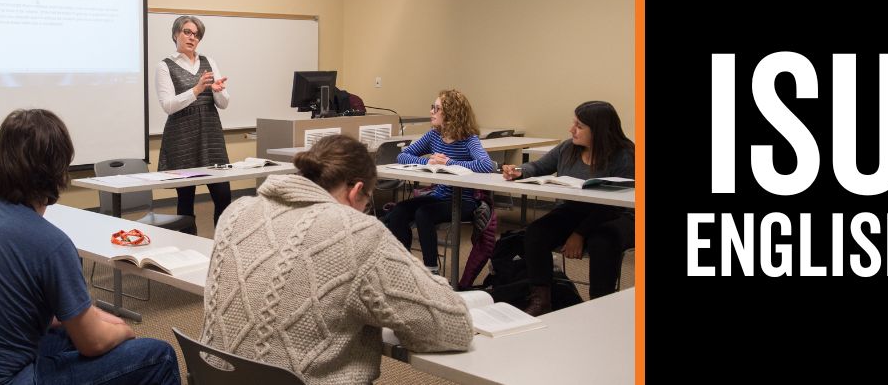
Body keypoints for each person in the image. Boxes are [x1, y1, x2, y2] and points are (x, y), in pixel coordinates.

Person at [0, 109, 179, 385]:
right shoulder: (51, 244)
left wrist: (94, 317)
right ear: (57, 170)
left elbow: (35, 309)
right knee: (159, 355)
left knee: (64, 334)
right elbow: (92, 343)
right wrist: (124, 332)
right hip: (7, 379)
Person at [202, 135, 474, 384]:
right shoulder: (356, 230)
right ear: (356, 191)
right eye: (367, 201)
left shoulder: (235, 212)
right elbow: (452, 327)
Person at [502, 100, 635, 315]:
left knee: (602, 241)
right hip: (575, 210)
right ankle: (541, 300)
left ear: (599, 130)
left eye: (580, 126)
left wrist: (579, 233)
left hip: (616, 214)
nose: (571, 129)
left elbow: (615, 205)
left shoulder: (625, 155)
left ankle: (600, 306)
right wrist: (519, 171)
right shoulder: (568, 148)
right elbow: (538, 166)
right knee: (536, 233)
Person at [384, 89, 496, 274]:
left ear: (451, 113)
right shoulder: (434, 135)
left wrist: (450, 163)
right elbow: (402, 155)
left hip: (465, 201)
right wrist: (426, 161)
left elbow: (486, 165)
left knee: (423, 213)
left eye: (436, 108)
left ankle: (431, 270)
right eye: (432, 107)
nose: (431, 112)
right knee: (399, 211)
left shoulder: (468, 139)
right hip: (440, 196)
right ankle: (402, 266)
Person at [156, 15, 231, 233]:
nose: (192, 37)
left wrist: (218, 91)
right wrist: (197, 89)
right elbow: (168, 105)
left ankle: (221, 247)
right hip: (182, 136)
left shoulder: (209, 62)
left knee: (223, 196)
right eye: (187, 32)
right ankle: (189, 250)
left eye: (196, 34)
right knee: (186, 200)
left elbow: (224, 103)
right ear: (175, 34)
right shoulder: (165, 66)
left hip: (210, 135)